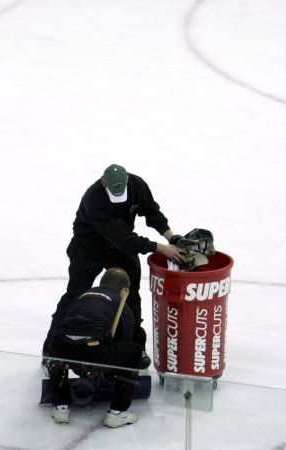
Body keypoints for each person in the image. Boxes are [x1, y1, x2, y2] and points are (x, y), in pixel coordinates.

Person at [43, 164, 183, 368]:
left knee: (130, 296)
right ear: (103, 183)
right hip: (88, 248)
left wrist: (172, 237)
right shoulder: (94, 199)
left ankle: (134, 348)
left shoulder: (137, 185)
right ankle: (52, 351)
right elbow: (123, 238)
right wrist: (159, 248)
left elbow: (151, 212)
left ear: (127, 181)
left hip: (119, 248)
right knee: (74, 295)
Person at [48, 268, 140, 428]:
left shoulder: (83, 295)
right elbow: (125, 339)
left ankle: (60, 406)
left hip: (59, 344)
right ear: (124, 290)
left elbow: (66, 321)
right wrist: (109, 370)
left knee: (60, 351)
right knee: (134, 352)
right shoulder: (121, 305)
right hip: (93, 348)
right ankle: (118, 412)